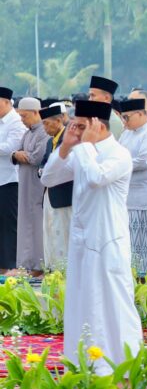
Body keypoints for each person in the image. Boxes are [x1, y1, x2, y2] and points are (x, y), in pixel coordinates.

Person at [40, 100, 142, 374]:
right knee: (82, 300)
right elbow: (48, 178)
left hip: (108, 241)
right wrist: (65, 147)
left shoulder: (118, 154)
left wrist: (83, 145)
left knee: (113, 303)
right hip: (83, 241)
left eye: (82, 126)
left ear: (99, 125)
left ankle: (124, 364)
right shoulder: (82, 151)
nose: (77, 131)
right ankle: (84, 362)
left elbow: (97, 177)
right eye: (75, 125)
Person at [118, 98, 147, 275]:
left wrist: (119, 166)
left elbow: (144, 161)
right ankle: (133, 276)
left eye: (127, 117)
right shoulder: (126, 133)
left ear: (140, 114)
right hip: (127, 194)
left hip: (145, 194)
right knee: (130, 240)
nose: (124, 122)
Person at [13, 98, 46, 274]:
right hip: (24, 185)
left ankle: (38, 266)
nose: (22, 120)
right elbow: (15, 152)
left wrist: (22, 155)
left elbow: (36, 158)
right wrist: (19, 155)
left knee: (36, 225)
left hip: (36, 185)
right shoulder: (27, 133)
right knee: (25, 223)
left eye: (25, 116)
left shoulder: (43, 132)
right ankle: (26, 264)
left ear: (35, 112)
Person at [39, 105, 73, 269]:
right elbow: (44, 163)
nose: (44, 128)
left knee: (64, 235)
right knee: (51, 233)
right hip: (49, 192)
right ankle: (53, 270)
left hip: (65, 195)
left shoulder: (68, 139)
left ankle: (64, 270)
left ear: (59, 120)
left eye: (46, 123)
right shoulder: (48, 142)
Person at [0, 86, 25, 274]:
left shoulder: (16, 122)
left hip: (10, 180)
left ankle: (11, 264)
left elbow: (11, 148)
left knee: (9, 223)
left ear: (7, 102)